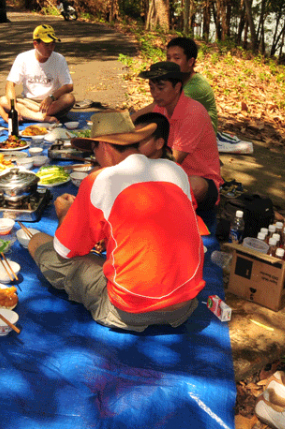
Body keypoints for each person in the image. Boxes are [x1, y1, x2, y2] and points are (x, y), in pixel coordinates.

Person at [27, 111, 205, 331]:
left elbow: (65, 250)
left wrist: (65, 213)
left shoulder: (101, 179)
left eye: (94, 150)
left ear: (104, 146)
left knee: (38, 242)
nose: (95, 158)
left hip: (128, 309)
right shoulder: (175, 170)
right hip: (185, 304)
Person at [137, 61, 222, 210]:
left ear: (177, 87)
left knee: (196, 186)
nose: (155, 93)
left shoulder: (193, 113)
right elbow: (137, 129)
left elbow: (173, 160)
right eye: (151, 88)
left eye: (161, 88)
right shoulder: (160, 107)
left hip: (199, 179)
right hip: (169, 173)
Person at [132, 37, 218, 132]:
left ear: (190, 62)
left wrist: (130, 120)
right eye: (168, 58)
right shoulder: (176, 80)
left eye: (177, 58)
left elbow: (158, 107)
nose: (171, 62)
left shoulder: (196, 87)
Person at [0, 24, 75, 123]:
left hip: (51, 103)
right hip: (29, 102)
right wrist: (14, 108)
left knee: (69, 98)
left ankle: (29, 116)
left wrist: (51, 97)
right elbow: (10, 85)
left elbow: (68, 86)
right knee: (3, 101)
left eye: (53, 44)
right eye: (46, 45)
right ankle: (40, 118)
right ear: (35, 44)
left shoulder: (59, 59)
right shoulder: (23, 58)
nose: (50, 48)